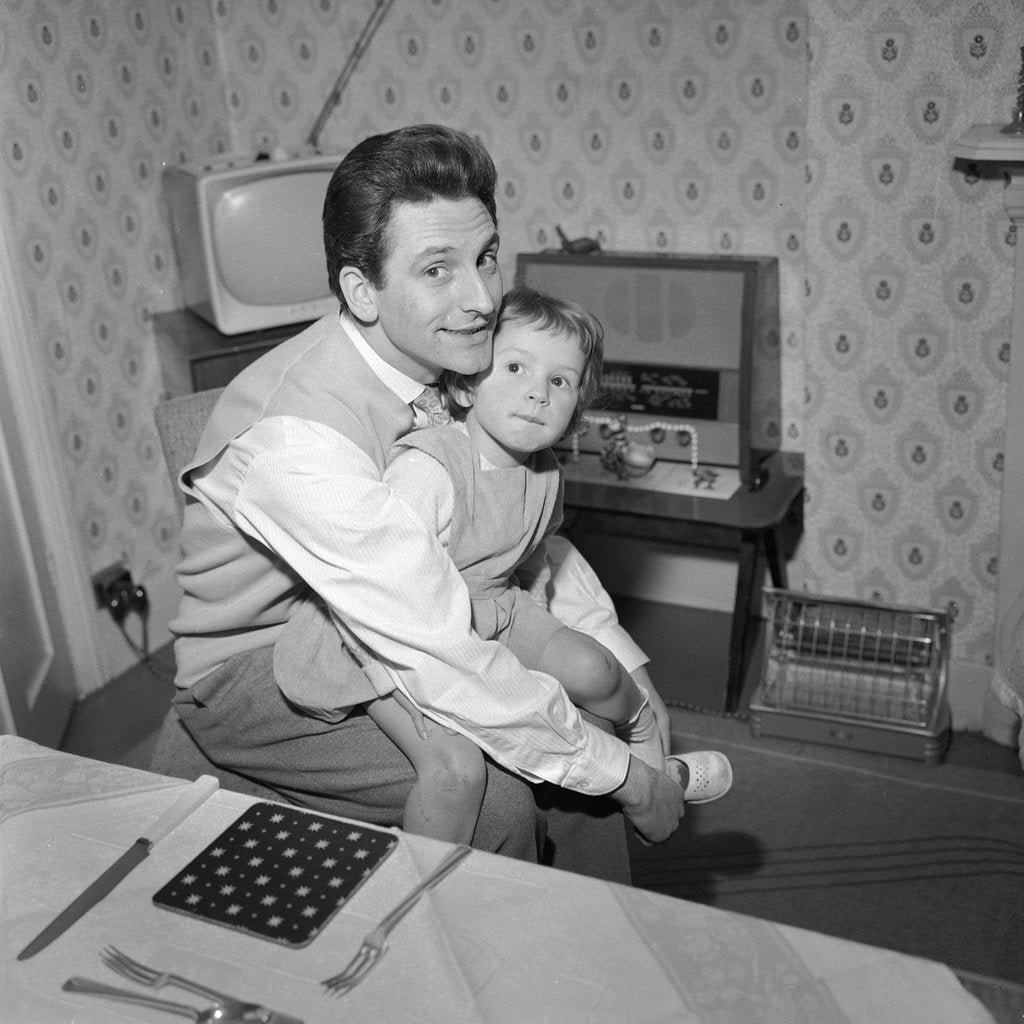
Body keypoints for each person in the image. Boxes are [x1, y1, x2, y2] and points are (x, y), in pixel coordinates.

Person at [163, 123, 689, 881]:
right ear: (361, 292)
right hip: (266, 658)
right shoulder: (296, 445)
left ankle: (581, 932)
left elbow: (524, 529)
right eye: (437, 269)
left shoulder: (453, 353)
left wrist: (627, 671)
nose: (481, 300)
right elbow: (432, 641)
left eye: (485, 258)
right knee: (502, 798)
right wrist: (630, 780)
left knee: (585, 716)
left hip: (413, 608)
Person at [277, 285, 733, 843]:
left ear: (575, 409)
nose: (538, 392)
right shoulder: (430, 469)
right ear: (467, 384)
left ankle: (649, 754)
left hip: (494, 607)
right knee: (456, 772)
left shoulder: (544, 473)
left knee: (599, 671)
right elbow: (383, 600)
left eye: (560, 382)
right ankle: (426, 880)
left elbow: (534, 561)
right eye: (515, 367)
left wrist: (545, 646)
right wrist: (429, 681)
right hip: (392, 632)